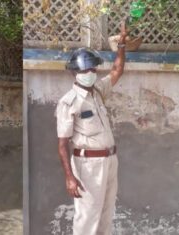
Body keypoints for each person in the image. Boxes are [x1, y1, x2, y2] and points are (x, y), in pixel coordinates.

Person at [56, 21, 127, 235]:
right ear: (75, 72)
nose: (91, 72)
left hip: (110, 160)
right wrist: (69, 176)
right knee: (87, 218)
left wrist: (122, 45)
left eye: (93, 68)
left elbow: (117, 70)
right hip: (88, 165)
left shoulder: (98, 91)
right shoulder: (69, 103)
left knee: (106, 214)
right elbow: (61, 145)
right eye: (86, 69)